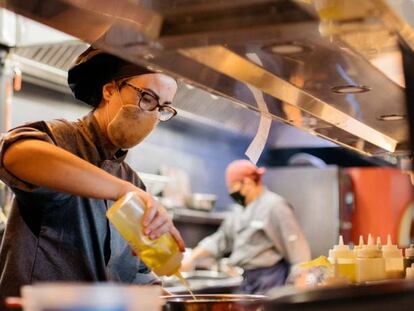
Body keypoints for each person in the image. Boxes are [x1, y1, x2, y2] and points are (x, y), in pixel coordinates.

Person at [0, 47, 185, 307]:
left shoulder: (133, 182)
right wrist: (122, 191)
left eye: (163, 108)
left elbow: (136, 272)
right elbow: (14, 154)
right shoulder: (62, 139)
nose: (153, 114)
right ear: (110, 91)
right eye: (147, 98)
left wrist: (168, 299)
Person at [181, 159, 311, 294]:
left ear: (247, 182)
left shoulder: (275, 206)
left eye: (232, 187)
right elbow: (219, 240)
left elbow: (298, 251)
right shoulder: (237, 211)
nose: (230, 192)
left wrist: (300, 286)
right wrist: (191, 258)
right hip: (245, 281)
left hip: (269, 280)